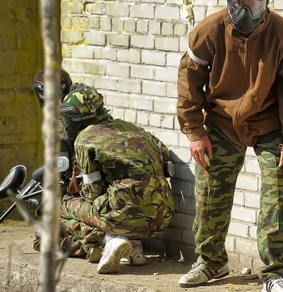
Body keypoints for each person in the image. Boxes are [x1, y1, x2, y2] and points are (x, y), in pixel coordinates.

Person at [176, 0, 283, 292]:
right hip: (222, 124)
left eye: (250, 4)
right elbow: (189, 82)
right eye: (236, 3)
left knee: (275, 196)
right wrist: (195, 132)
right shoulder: (209, 29)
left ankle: (273, 274)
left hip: (268, 124)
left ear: (265, 4)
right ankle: (211, 262)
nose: (242, 11)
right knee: (209, 191)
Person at [31, 73, 175, 272]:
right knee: (119, 201)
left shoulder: (84, 139)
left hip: (123, 219)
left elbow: (92, 192)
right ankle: (133, 245)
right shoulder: (132, 128)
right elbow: (167, 161)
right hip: (164, 217)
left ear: (74, 118)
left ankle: (110, 240)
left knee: (62, 205)